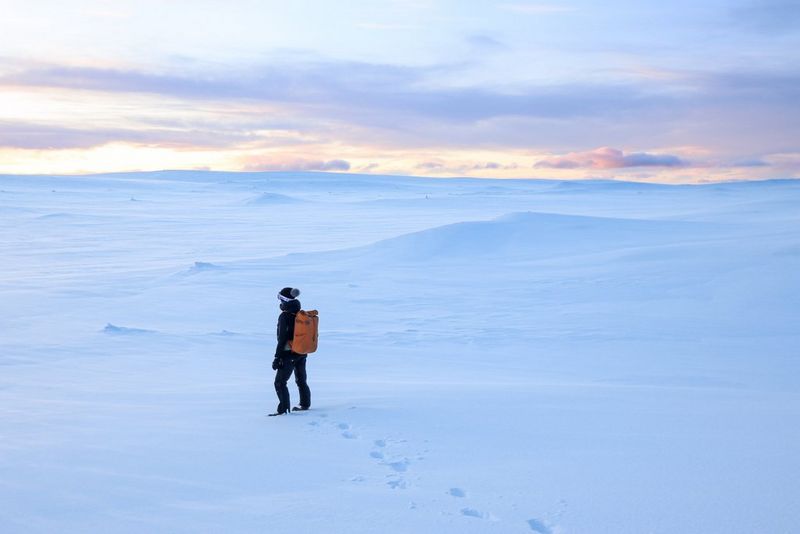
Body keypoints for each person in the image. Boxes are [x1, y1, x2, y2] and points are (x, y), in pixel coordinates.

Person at [269, 287, 311, 416]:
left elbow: (282, 339)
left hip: (288, 354)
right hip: (302, 352)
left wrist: (277, 357)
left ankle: (283, 411)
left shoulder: (285, 316)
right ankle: (305, 404)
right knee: (301, 380)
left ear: (285, 300)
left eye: (280, 299)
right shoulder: (300, 313)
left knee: (280, 382)